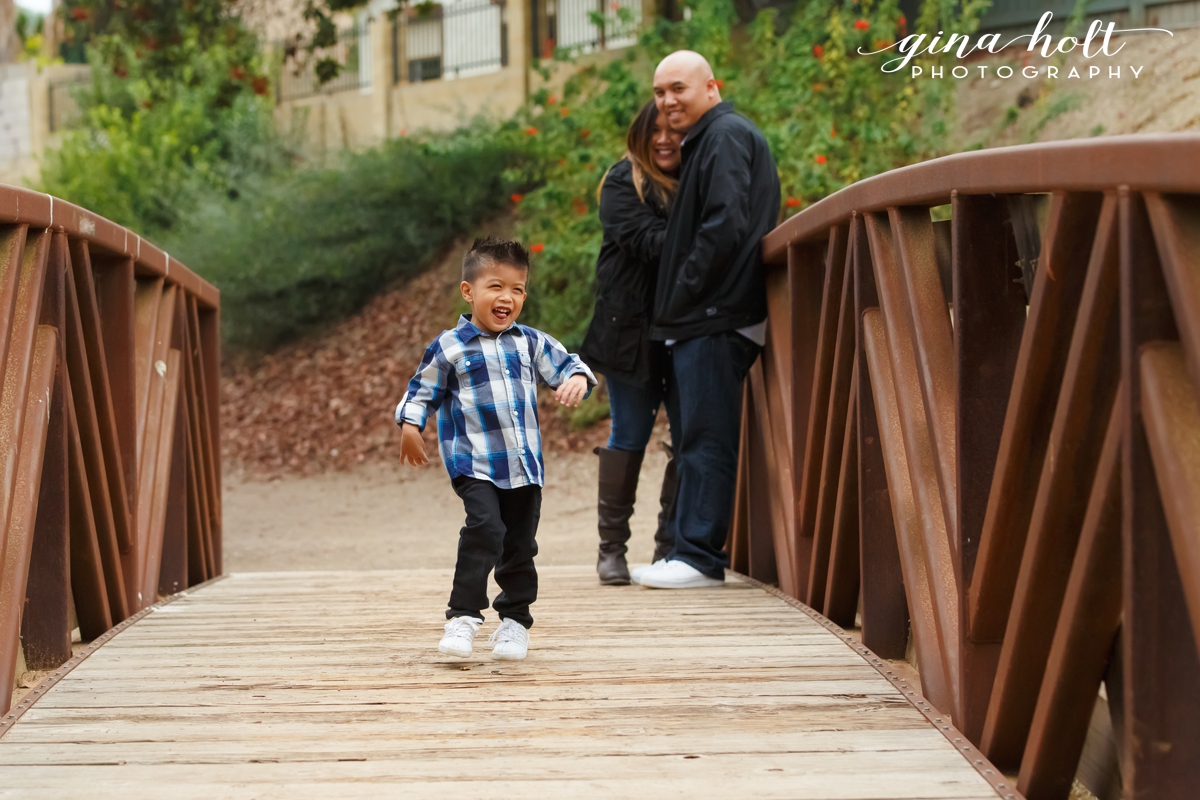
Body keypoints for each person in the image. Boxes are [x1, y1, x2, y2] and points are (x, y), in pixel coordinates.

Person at [396, 237, 596, 659]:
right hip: (474, 463)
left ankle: (514, 622)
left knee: (520, 543)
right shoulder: (450, 346)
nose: (507, 297)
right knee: (485, 528)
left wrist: (577, 378)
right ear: (469, 291)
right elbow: (422, 389)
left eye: (518, 289)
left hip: (523, 466)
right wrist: (411, 425)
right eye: (496, 286)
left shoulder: (529, 342)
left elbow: (568, 364)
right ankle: (463, 616)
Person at [634, 50, 781, 590]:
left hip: (716, 313)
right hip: (708, 312)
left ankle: (697, 557)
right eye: (659, 93)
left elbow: (725, 224)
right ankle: (687, 552)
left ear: (711, 88)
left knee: (707, 437)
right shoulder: (709, 140)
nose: (668, 101)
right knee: (697, 434)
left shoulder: (722, 136)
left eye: (679, 88)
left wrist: (686, 287)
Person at [579, 101, 684, 586]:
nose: (665, 139)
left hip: (686, 330)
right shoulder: (623, 182)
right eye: (655, 130)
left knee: (690, 438)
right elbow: (648, 240)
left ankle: (671, 547)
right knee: (629, 435)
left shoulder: (697, 180)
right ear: (640, 136)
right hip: (630, 334)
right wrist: (711, 236)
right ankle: (611, 549)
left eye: (674, 129)